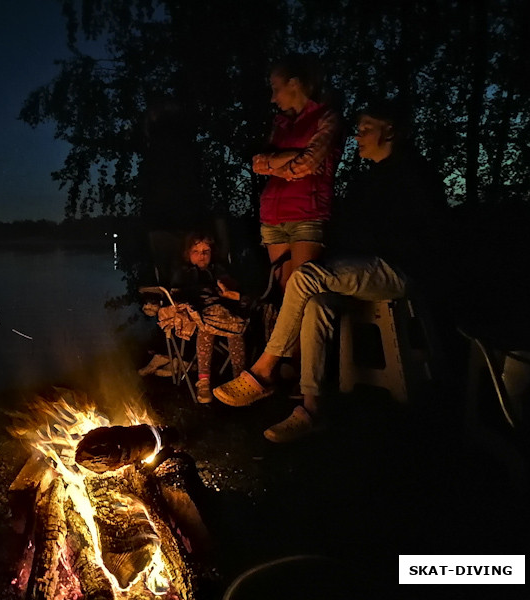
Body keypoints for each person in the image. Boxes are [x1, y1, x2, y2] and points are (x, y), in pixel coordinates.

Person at [213, 98, 447, 442]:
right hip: (369, 268)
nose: (358, 135)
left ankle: (264, 371)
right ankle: (312, 409)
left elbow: (426, 234)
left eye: (367, 128)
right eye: (359, 128)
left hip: (401, 269)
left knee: (307, 275)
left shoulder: (412, 174)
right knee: (317, 299)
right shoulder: (370, 181)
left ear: (391, 131)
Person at [252, 53, 344, 295]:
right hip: (272, 215)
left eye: (275, 88)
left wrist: (274, 164)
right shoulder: (281, 124)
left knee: (303, 292)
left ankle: (312, 334)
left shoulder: (326, 117)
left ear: (294, 84)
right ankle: (291, 335)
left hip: (306, 213)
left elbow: (308, 163)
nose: (273, 98)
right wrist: (291, 157)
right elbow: (257, 163)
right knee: (283, 292)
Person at [171, 233, 248, 404]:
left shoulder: (219, 270)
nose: (202, 255)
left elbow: (231, 289)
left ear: (213, 252)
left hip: (223, 313)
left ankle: (240, 380)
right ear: (187, 254)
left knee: (235, 327)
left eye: (206, 251)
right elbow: (177, 294)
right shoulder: (184, 273)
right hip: (197, 314)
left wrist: (227, 290)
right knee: (207, 328)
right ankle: (204, 381)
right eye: (196, 251)